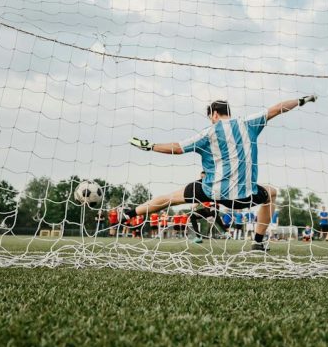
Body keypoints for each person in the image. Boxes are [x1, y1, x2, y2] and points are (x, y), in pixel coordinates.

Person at [121, 95, 317, 251]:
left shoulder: (208, 133)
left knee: (170, 198)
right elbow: (277, 108)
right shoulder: (249, 123)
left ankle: (129, 213)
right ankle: (257, 242)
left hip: (211, 192)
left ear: (214, 114)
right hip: (244, 197)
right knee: (271, 193)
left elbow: (177, 148)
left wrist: (151, 146)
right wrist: (301, 100)